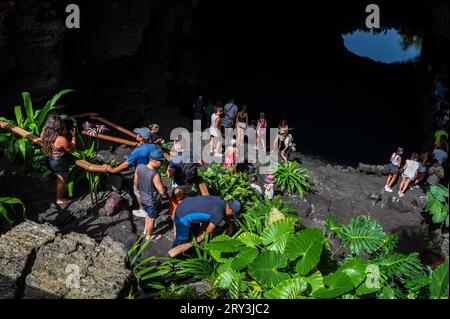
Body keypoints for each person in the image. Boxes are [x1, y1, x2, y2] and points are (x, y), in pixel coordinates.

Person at [107, 127, 160, 217]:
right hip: (153, 173)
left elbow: (126, 164)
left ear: (142, 138)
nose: (136, 135)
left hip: (142, 175)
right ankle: (154, 204)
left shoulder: (138, 150)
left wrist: (112, 170)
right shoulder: (155, 146)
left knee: (138, 191)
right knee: (152, 189)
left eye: (138, 134)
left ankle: (144, 210)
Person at [172, 196, 242, 247]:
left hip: (184, 204)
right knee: (182, 238)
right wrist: (201, 237)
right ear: (229, 210)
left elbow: (221, 213)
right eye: (232, 215)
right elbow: (208, 230)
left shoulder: (218, 199)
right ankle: (172, 258)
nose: (231, 216)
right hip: (182, 215)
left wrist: (230, 225)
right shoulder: (218, 215)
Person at [41, 114, 78, 204]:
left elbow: (43, 143)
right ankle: (59, 199)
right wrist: (73, 137)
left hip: (49, 158)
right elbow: (72, 150)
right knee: (61, 180)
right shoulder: (61, 139)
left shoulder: (43, 133)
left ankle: (60, 191)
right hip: (58, 162)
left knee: (58, 177)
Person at [135, 149, 167, 240]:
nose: (161, 163)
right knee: (152, 218)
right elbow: (161, 191)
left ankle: (145, 231)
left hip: (142, 196)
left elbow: (136, 183)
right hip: (151, 200)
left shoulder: (140, 167)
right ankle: (149, 236)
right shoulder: (155, 174)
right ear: (155, 161)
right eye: (161, 161)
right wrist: (165, 189)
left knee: (147, 214)